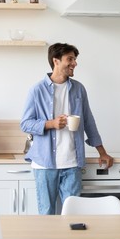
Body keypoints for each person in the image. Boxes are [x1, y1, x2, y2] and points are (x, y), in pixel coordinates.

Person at [20, 42, 114, 215]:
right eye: (70, 59)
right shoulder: (37, 90)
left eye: (75, 59)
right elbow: (25, 123)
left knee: (72, 215)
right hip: (44, 164)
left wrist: (102, 152)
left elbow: (89, 122)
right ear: (56, 61)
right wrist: (51, 124)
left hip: (72, 163)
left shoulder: (78, 89)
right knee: (47, 213)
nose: (74, 63)